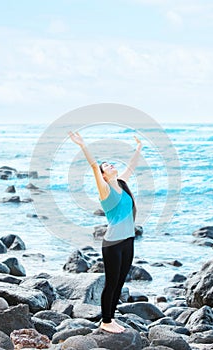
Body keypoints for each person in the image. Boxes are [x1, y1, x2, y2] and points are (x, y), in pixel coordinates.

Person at [69, 131, 142, 333]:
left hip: (128, 241)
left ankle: (111, 318)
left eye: (111, 164)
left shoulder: (122, 183)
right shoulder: (105, 191)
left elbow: (132, 166)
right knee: (111, 283)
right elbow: (94, 166)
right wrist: (83, 145)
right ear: (103, 175)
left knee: (120, 282)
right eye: (106, 167)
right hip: (113, 244)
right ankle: (106, 321)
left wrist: (139, 148)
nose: (111, 166)